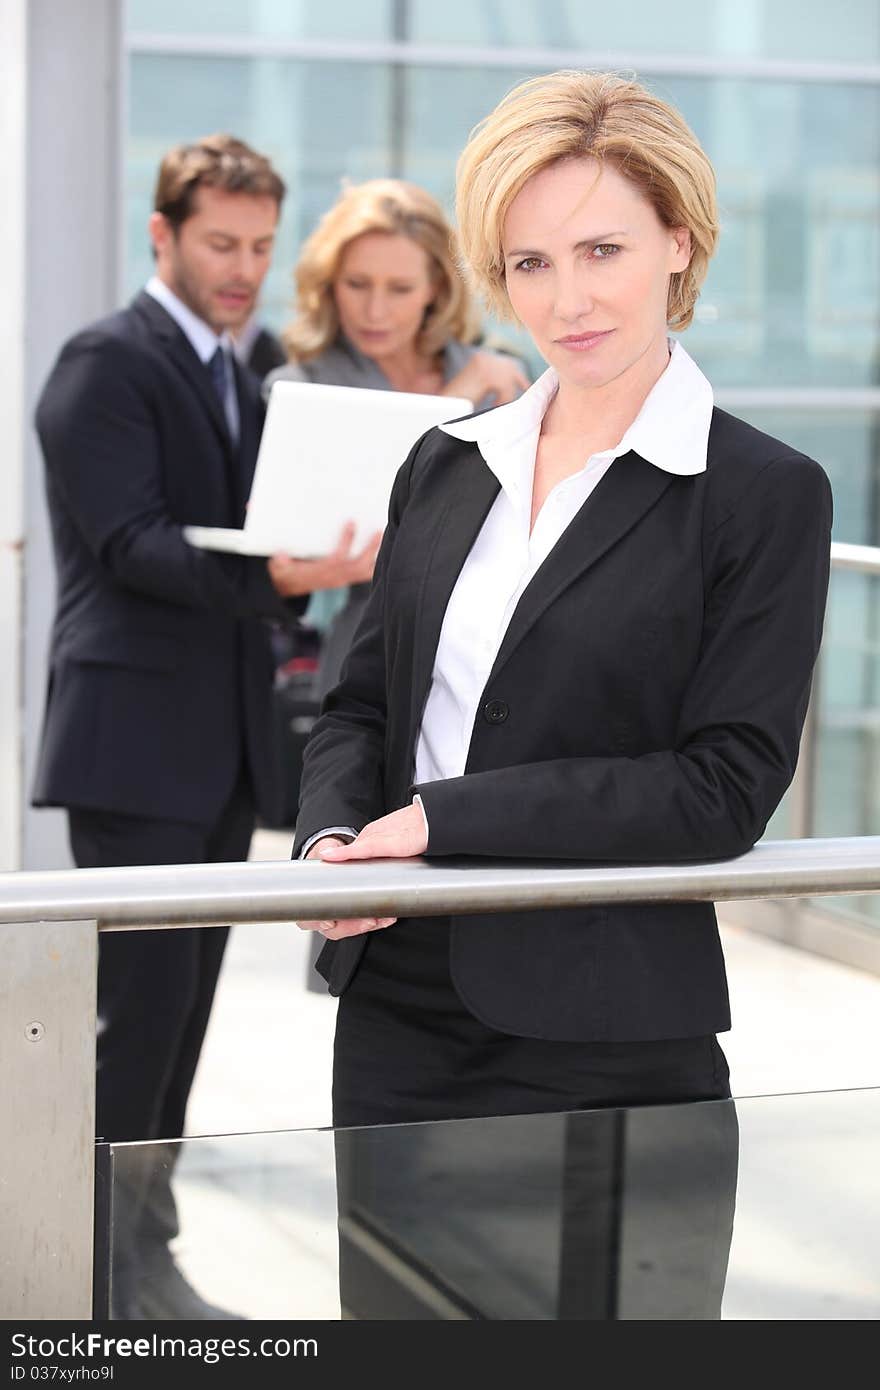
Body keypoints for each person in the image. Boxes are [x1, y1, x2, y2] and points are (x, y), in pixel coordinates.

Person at [291, 72, 832, 1317]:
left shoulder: (757, 491)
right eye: (530, 262)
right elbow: (361, 703)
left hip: (610, 1035)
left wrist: (444, 818)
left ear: (679, 242)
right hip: (401, 1021)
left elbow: (725, 785)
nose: (566, 298)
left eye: (603, 249)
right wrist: (329, 838)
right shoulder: (445, 460)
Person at [32, 133, 378, 1321]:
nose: (241, 269)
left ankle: (139, 1254)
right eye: (220, 244)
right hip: (133, 748)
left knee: (179, 1025)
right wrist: (279, 576)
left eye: (259, 249)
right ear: (162, 234)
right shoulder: (102, 365)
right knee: (138, 1024)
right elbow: (128, 546)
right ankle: (83, 1274)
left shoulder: (259, 366)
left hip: (221, 748)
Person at [264, 177, 530, 702]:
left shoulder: (503, 371)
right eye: (357, 284)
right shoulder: (301, 390)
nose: (375, 311)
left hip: (499, 660)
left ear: (436, 286)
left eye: (400, 288)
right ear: (329, 283)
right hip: (371, 661)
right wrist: (459, 396)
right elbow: (395, 515)